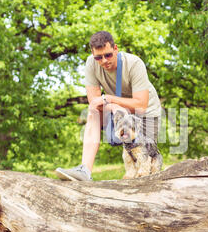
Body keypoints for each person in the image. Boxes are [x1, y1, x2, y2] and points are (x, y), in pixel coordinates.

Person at [55, 31, 162, 181]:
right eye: (98, 57)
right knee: (93, 111)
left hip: (146, 113)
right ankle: (84, 170)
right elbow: (94, 102)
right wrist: (113, 107)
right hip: (117, 109)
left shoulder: (134, 63)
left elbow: (141, 105)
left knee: (144, 161)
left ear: (115, 49)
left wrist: (110, 99)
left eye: (108, 55)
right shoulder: (91, 64)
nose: (104, 60)